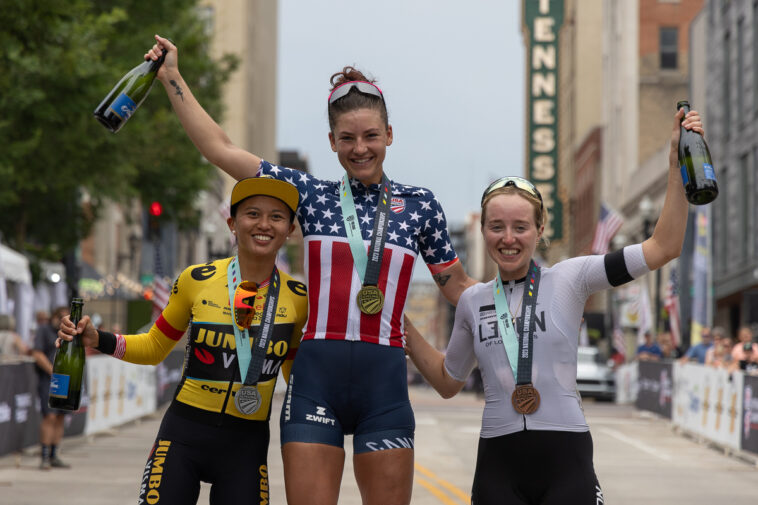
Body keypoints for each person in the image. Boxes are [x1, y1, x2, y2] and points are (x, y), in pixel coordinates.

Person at [144, 34, 475, 505]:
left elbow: (460, 288)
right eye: (347, 138)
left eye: (371, 136)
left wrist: (527, 302)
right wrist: (172, 76)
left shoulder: (420, 207)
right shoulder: (312, 196)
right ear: (332, 141)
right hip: (315, 383)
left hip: (385, 388)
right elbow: (220, 149)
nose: (360, 148)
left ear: (390, 134)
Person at [403, 108, 702, 504]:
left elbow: (663, 247)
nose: (508, 238)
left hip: (567, 461)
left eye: (520, 227)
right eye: (497, 227)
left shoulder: (571, 277)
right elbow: (446, 381)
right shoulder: (472, 302)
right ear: (483, 230)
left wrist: (676, 168)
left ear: (539, 230)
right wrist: (398, 322)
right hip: (498, 464)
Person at [59, 177, 307, 504]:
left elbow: (299, 379)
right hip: (183, 436)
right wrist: (97, 339)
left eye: (277, 216)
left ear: (290, 229)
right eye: (252, 214)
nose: (264, 224)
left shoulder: (298, 298)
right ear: (232, 224)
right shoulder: (196, 280)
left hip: (246, 447)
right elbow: (152, 348)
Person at [30, 306, 70, 470]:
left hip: (66, 380)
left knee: (60, 417)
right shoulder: (44, 330)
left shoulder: (70, 334)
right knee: (50, 417)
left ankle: (54, 454)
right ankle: (44, 456)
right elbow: (37, 353)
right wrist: (53, 372)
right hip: (50, 380)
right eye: (60, 316)